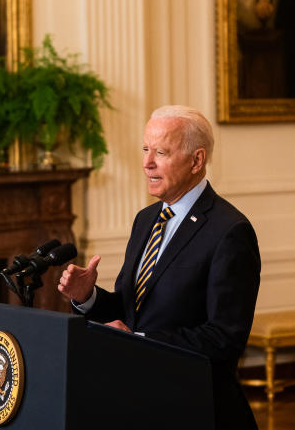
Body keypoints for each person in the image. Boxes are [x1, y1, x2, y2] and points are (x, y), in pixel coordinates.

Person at [58, 105, 261, 429]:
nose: (146, 162)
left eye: (161, 152)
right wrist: (89, 298)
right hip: (138, 401)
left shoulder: (229, 231)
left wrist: (137, 339)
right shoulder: (146, 219)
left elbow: (224, 338)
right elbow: (130, 310)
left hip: (197, 407)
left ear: (197, 160)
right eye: (145, 149)